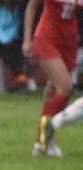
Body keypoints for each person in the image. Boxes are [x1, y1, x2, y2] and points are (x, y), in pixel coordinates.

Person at [23, 0, 82, 157]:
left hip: (69, 40)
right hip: (47, 38)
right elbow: (32, 5)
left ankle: (42, 141)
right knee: (65, 87)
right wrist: (27, 39)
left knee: (53, 89)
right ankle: (47, 133)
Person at [0, 0, 31, 90]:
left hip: (12, 36)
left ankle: (17, 77)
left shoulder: (14, 6)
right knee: (6, 48)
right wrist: (5, 39)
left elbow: (16, 23)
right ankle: (17, 73)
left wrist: (11, 37)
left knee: (18, 47)